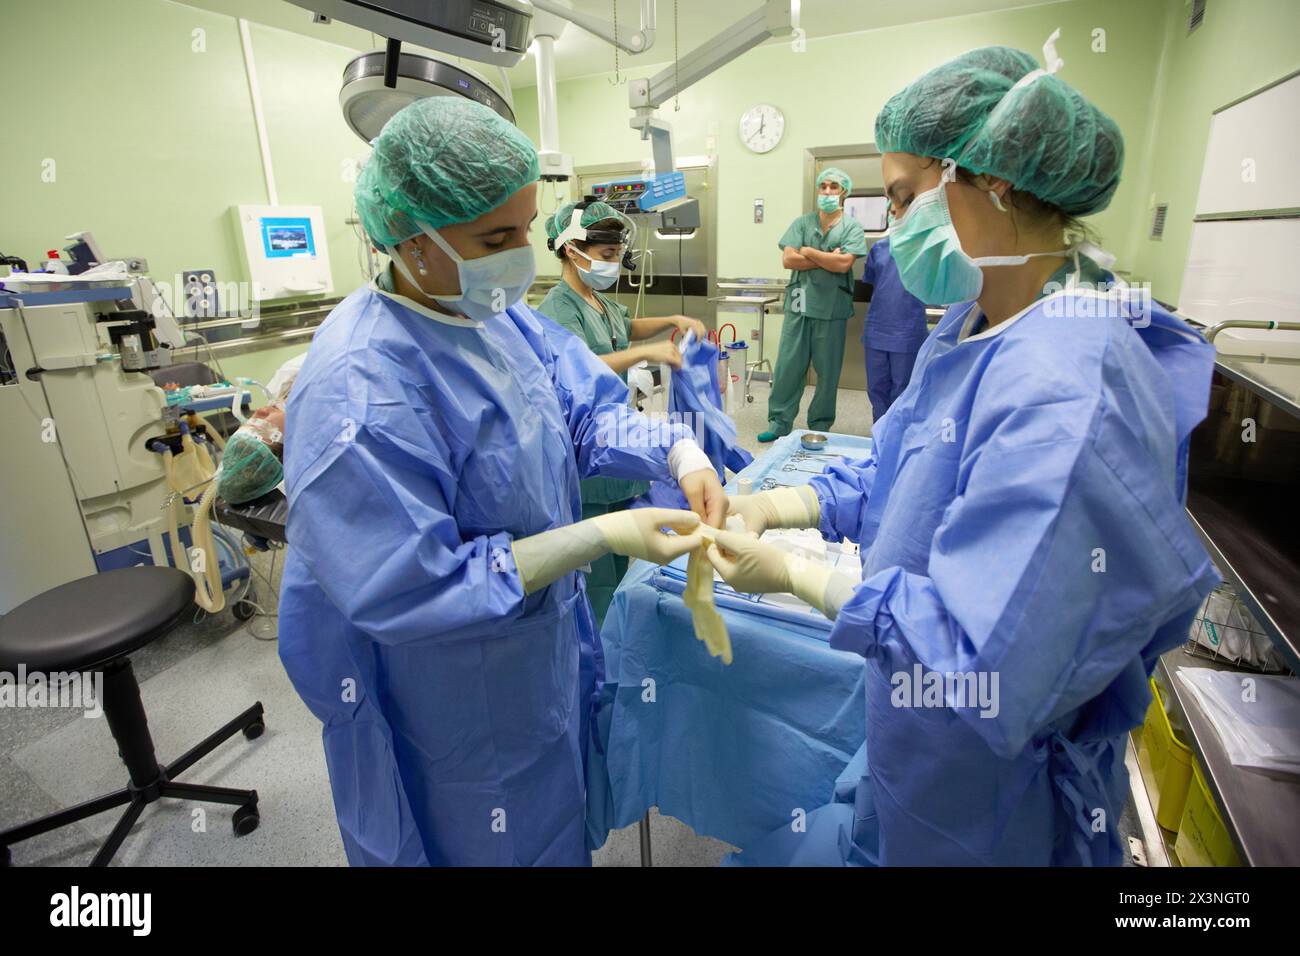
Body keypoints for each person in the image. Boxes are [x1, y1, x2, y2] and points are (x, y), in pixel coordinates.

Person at [709, 39, 1220, 866]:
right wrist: (778, 505)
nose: (895, 222)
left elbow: (981, 659)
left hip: (994, 794)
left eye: (907, 195)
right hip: (920, 748)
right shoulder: (982, 318)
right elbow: (904, 459)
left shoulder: (1069, 388)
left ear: (994, 180)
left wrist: (799, 576)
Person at [277, 96, 725, 866]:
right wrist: (601, 534)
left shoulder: (494, 316)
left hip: (536, 660)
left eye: (526, 227)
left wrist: (677, 451)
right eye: (498, 236)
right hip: (448, 701)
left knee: (549, 824)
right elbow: (410, 586)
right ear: (411, 241)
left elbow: (584, 411)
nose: (524, 252)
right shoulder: (361, 386)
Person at [537, 200, 708, 624]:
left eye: (617, 255)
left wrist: (669, 319)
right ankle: (594, 656)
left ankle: (616, 632)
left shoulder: (596, 299)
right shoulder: (558, 309)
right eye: (606, 256)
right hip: (587, 449)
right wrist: (645, 354)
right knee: (593, 568)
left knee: (622, 555)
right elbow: (577, 367)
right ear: (571, 251)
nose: (613, 264)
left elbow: (623, 328)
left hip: (618, 443)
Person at [759, 167, 868, 442]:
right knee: (788, 366)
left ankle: (818, 425)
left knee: (827, 371)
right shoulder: (803, 223)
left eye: (834, 187)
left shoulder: (851, 227)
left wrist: (806, 251)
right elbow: (788, 260)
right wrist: (824, 258)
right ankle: (780, 421)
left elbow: (844, 263)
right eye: (824, 187)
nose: (828, 192)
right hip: (799, 303)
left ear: (844, 192)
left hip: (832, 307)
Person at [859, 234, 928, 422]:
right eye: (893, 211)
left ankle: (897, 438)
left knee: (903, 391)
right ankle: (880, 435)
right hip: (877, 328)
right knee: (876, 388)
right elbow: (874, 282)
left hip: (908, 329)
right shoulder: (879, 247)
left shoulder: (926, 245)